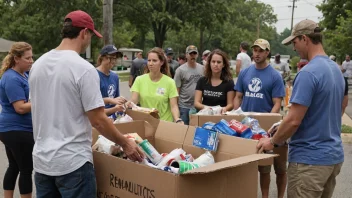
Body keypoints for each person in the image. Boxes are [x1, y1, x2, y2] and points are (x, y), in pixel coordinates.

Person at [29, 10, 144, 198]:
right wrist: (125, 143)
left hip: (43, 162)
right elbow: (98, 120)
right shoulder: (83, 68)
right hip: (73, 164)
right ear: (84, 32)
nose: (90, 40)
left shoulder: (38, 65)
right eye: (90, 35)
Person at [257, 19, 344, 198]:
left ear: (305, 38)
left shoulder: (307, 73)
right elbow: (340, 107)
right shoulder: (335, 69)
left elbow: (294, 120)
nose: (294, 48)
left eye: (294, 42)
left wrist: (272, 142)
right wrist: (285, 123)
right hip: (332, 158)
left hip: (309, 163)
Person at [233, 38, 286, 198]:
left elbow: (277, 103)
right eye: (255, 50)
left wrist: (267, 122)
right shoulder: (245, 73)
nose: (257, 53)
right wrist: (237, 115)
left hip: (267, 128)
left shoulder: (275, 76)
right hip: (247, 127)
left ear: (267, 52)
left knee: (271, 168)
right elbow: (238, 96)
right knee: (249, 167)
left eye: (261, 50)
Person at [0, 42, 34, 198]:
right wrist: (43, 102)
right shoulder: (11, 78)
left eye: (32, 57)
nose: (31, 61)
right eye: (27, 58)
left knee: (14, 166)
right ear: (16, 59)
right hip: (16, 129)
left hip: (14, 129)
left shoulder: (24, 75)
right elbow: (20, 107)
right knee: (26, 169)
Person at [129, 47, 183, 123]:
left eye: (154, 61)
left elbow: (174, 106)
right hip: (146, 123)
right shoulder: (139, 80)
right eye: (149, 60)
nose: (150, 63)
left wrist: (177, 119)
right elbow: (134, 100)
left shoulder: (170, 82)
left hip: (164, 124)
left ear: (161, 62)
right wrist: (128, 104)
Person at [174, 45, 204, 125]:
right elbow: (177, 90)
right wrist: (176, 107)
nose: (193, 56)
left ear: (197, 55)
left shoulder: (203, 69)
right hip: (184, 106)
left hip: (199, 106)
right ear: (186, 55)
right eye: (190, 54)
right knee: (184, 131)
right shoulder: (180, 70)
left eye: (194, 53)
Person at [96, 45, 126, 120]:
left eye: (115, 58)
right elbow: (93, 103)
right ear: (102, 57)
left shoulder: (115, 76)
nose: (113, 61)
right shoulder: (94, 75)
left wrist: (121, 100)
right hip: (99, 118)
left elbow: (115, 99)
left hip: (114, 117)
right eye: (110, 58)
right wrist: (110, 101)